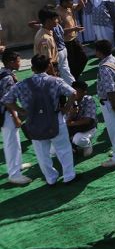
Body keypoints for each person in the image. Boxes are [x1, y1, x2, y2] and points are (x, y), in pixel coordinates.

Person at [2, 54, 76, 185]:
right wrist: (66, 108)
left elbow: (6, 100)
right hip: (55, 119)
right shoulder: (56, 81)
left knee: (42, 154)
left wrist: (21, 111)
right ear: (48, 66)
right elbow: (73, 93)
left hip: (34, 121)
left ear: (32, 67)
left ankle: (51, 179)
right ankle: (69, 176)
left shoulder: (22, 84)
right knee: (63, 149)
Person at [0, 50, 32, 185]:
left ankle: (17, 165)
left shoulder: (4, 73)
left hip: (6, 112)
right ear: (11, 62)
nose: (20, 63)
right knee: (11, 143)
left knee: (15, 139)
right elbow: (7, 100)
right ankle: (14, 174)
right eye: (18, 61)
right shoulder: (7, 77)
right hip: (6, 113)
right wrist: (16, 116)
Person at [57, 0, 88, 80]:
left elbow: (82, 5)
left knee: (83, 57)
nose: (73, 3)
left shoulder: (69, 7)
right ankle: (72, 79)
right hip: (65, 42)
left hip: (74, 39)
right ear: (64, 2)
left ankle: (74, 76)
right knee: (71, 62)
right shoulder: (58, 12)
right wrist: (74, 29)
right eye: (71, 1)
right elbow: (60, 31)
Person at [65, 80, 97, 157]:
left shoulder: (89, 100)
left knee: (78, 139)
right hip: (73, 129)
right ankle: (74, 145)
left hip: (87, 129)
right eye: (73, 91)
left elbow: (87, 120)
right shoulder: (70, 100)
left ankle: (87, 144)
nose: (75, 94)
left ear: (84, 92)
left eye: (78, 91)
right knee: (53, 150)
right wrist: (72, 114)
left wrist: (71, 123)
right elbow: (66, 120)